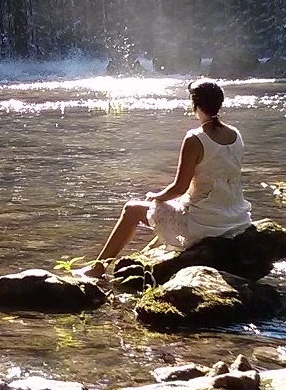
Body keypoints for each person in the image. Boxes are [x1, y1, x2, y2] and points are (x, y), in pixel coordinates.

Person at [77, 79, 252, 279]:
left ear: (194, 103)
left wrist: (156, 196)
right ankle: (145, 259)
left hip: (205, 224)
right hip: (235, 217)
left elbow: (179, 187)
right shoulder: (236, 134)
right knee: (172, 206)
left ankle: (97, 268)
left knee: (132, 210)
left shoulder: (195, 138)